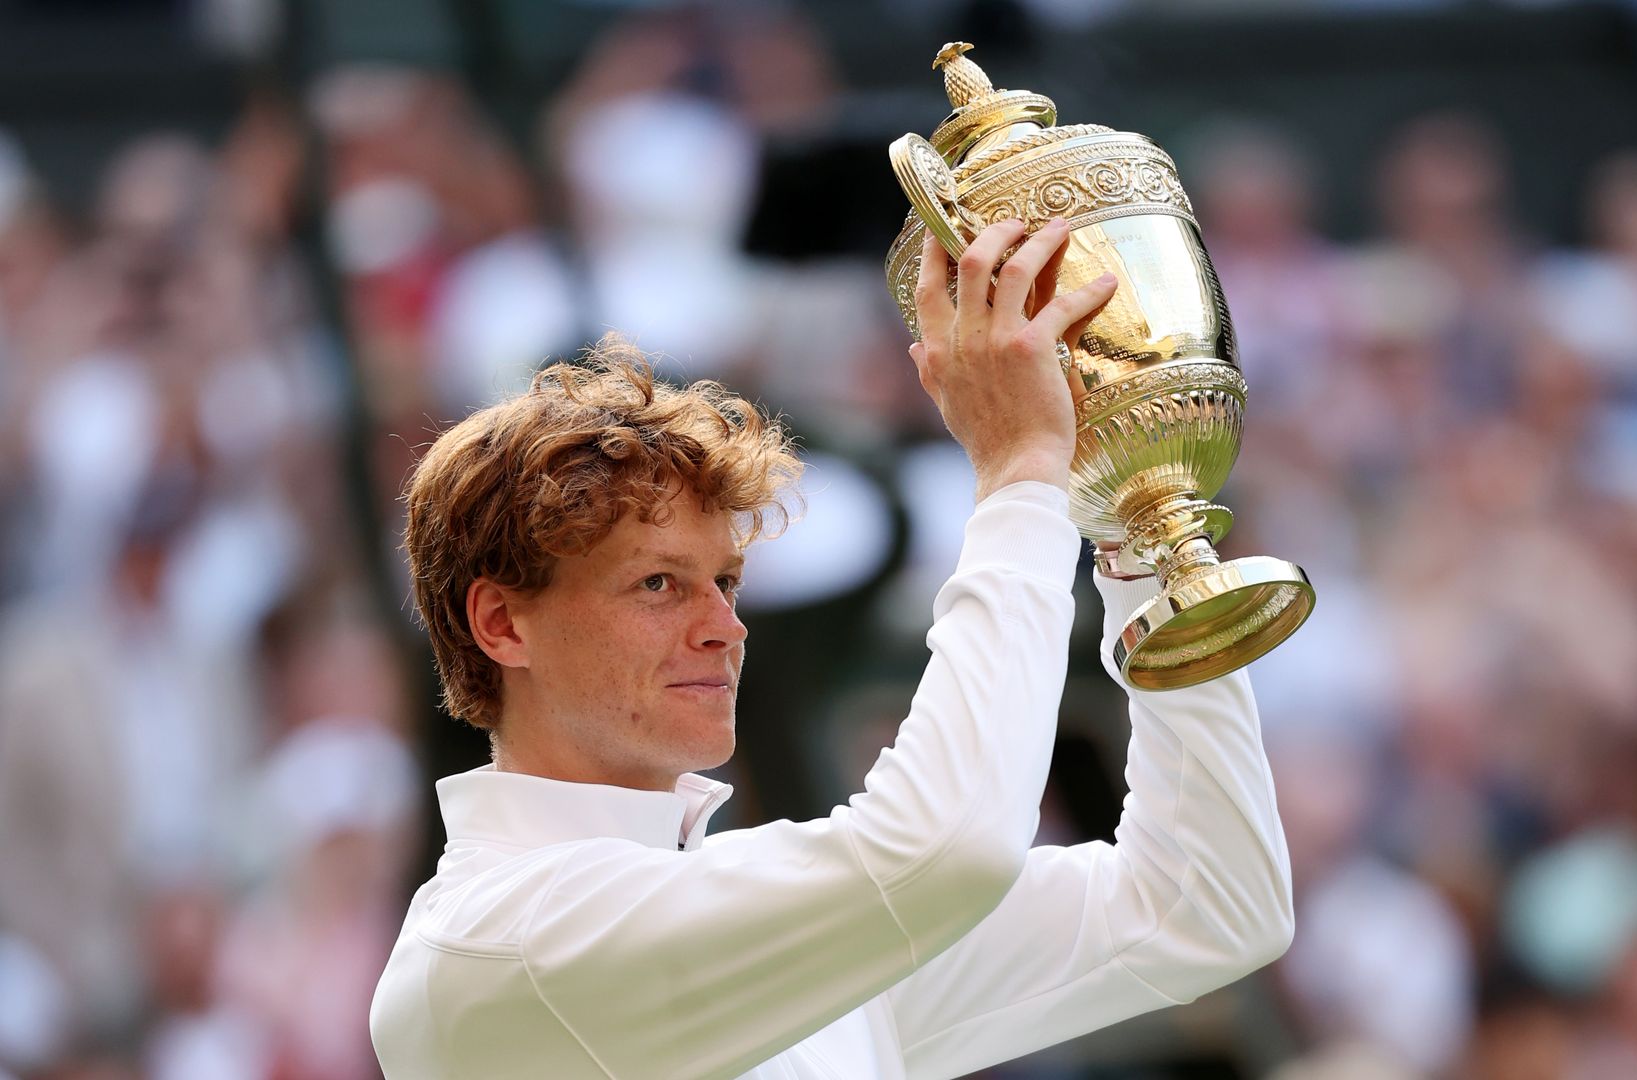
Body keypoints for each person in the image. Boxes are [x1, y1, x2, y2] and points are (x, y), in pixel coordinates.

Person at [368, 217, 1296, 1078]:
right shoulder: (501, 943)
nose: (721, 629)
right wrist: (1021, 474)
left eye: (725, 582)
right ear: (501, 623)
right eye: (657, 583)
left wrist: (1136, 527)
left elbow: (1206, 907)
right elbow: (951, 852)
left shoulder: (759, 911)